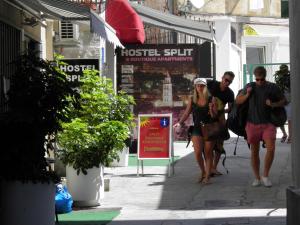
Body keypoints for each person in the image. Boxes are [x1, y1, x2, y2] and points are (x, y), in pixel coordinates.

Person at [236, 66, 286, 187]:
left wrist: (273, 104)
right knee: (254, 151)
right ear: (254, 77)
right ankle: (257, 177)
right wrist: (247, 95)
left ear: (265, 77)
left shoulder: (272, 87)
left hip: (268, 123)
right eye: (257, 79)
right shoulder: (250, 86)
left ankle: (265, 175)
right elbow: (238, 100)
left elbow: (284, 101)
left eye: (261, 79)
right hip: (252, 123)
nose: (259, 82)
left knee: (271, 149)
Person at [173, 78, 219, 184]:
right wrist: (179, 122)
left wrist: (212, 109)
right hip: (197, 128)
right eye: (198, 85)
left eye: (202, 85)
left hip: (209, 128)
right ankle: (203, 172)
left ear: (205, 87)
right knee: (198, 153)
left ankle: (207, 176)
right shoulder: (192, 99)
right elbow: (186, 113)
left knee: (208, 153)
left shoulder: (211, 98)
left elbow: (215, 116)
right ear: (195, 87)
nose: (200, 87)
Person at [207, 71, 235, 175]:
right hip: (206, 117)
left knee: (219, 144)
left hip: (219, 118)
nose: (227, 83)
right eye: (226, 80)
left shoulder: (230, 93)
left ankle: (214, 167)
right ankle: (208, 168)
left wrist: (220, 111)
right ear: (222, 77)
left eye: (230, 82)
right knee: (208, 144)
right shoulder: (212, 84)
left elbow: (230, 109)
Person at [274, 64, 291, 143]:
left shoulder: (290, 77)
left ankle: (290, 136)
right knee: (280, 119)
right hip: (282, 100)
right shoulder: (279, 78)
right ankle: (285, 134)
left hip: (288, 100)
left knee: (290, 119)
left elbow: (291, 90)